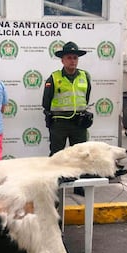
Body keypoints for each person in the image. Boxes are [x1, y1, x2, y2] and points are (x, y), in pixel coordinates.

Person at [42, 41, 92, 195]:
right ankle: (54, 184)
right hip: (60, 123)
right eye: (69, 57)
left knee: (80, 155)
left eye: (75, 58)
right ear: (62, 60)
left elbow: (86, 97)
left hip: (79, 123)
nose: (73, 61)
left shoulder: (85, 76)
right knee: (57, 154)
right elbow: (46, 102)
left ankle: (79, 185)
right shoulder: (54, 78)